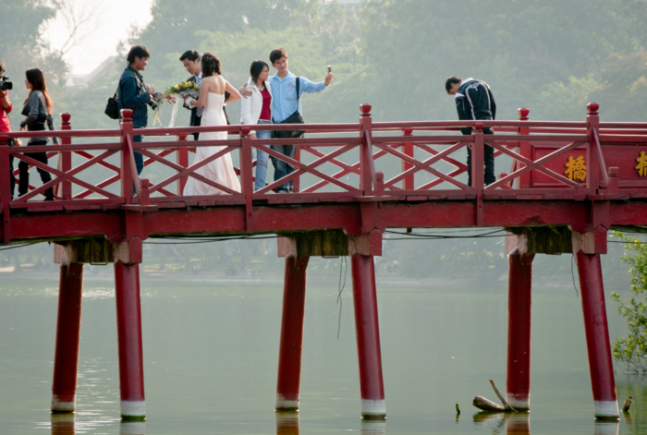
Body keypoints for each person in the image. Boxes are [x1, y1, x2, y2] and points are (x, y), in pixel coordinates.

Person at [241, 47, 334, 193]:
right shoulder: (269, 81)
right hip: (275, 127)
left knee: (290, 161)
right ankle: (282, 190)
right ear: (273, 65)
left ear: (287, 60)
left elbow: (314, 87)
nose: (282, 65)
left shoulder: (297, 81)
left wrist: (325, 82)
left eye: (284, 61)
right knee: (277, 161)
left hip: (292, 128)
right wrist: (242, 89)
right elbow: (253, 86)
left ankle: (288, 189)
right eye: (278, 63)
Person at [182, 52, 242, 195]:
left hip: (209, 117)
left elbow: (201, 103)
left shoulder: (206, 81)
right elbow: (237, 95)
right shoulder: (222, 80)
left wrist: (189, 101)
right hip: (220, 118)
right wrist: (221, 102)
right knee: (220, 150)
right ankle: (224, 184)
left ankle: (211, 184)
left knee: (207, 151)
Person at [445, 76, 497, 186]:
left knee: (472, 156)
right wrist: (492, 122)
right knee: (488, 155)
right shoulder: (484, 84)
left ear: (452, 84)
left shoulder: (461, 91)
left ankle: (472, 185)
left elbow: (462, 116)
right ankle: (491, 183)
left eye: (452, 92)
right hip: (488, 124)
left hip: (474, 127)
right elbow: (493, 105)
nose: (454, 94)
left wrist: (466, 136)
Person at [118, 45, 161, 175]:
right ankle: (133, 194)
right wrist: (147, 94)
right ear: (136, 58)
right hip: (133, 126)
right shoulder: (130, 77)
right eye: (145, 59)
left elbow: (139, 98)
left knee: (134, 163)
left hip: (134, 125)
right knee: (137, 164)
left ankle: (132, 193)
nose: (146, 63)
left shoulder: (133, 75)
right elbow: (130, 101)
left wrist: (160, 95)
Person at [18, 68, 58, 201]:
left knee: (35, 166)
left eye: (27, 78)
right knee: (37, 166)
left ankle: (25, 195)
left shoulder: (35, 94)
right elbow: (49, 120)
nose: (25, 81)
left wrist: (23, 123)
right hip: (40, 137)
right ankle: (43, 195)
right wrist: (54, 139)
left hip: (36, 138)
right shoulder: (42, 94)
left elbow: (33, 114)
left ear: (33, 80)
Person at [180, 50, 232, 141]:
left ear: (197, 61)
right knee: (201, 152)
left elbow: (226, 95)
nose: (187, 68)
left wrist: (211, 103)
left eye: (188, 64)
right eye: (185, 66)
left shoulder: (211, 77)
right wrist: (187, 101)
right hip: (198, 123)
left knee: (216, 151)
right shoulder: (189, 81)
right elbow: (190, 105)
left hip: (214, 121)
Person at [241, 60, 273, 191]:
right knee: (248, 159)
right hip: (251, 126)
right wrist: (251, 131)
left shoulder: (269, 85)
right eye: (265, 71)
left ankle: (259, 190)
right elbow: (245, 112)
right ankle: (247, 190)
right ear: (258, 72)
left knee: (263, 160)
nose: (267, 73)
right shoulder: (248, 88)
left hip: (266, 126)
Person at [0, 61, 14, 199]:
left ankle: (9, 198)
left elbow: (8, 108)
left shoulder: (2, 87)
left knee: (7, 168)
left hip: (3, 132)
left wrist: (2, 94)